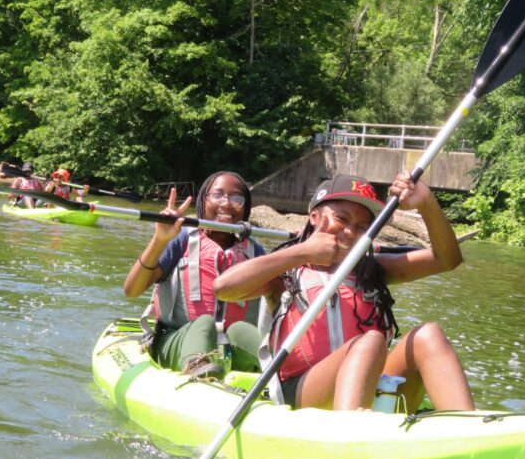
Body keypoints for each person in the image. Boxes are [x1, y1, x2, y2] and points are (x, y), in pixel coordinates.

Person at [213, 173, 474, 412]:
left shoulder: (374, 270)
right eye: (341, 219)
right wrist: (302, 252)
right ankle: (349, 432)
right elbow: (224, 289)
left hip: (368, 385)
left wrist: (426, 203)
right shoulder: (287, 271)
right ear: (313, 217)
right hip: (303, 392)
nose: (350, 231)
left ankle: (467, 430)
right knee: (370, 340)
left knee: (429, 335)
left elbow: (447, 260)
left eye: (363, 227)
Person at [123, 171, 266, 377]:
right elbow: (132, 290)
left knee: (241, 330)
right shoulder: (181, 240)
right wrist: (160, 240)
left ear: (245, 208)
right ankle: (196, 368)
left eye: (236, 198)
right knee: (204, 323)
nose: (226, 204)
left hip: (230, 352)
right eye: (217, 195)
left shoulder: (255, 253)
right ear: (203, 201)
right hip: (176, 342)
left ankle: (282, 375)